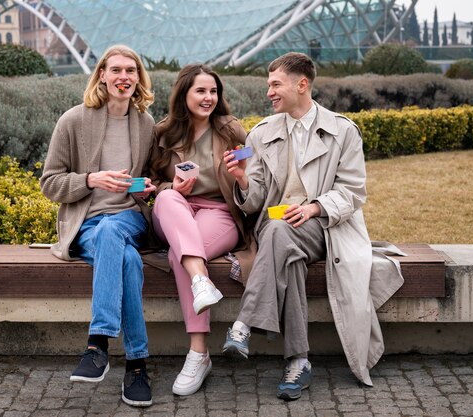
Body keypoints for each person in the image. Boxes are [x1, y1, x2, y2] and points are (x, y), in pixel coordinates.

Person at [222, 52, 404, 400]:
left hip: (325, 226)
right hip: (277, 225)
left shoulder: (343, 131)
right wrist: (244, 181)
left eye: (275, 85)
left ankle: (244, 323)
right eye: (268, 85)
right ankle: (298, 362)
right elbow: (257, 199)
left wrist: (315, 208)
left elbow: (353, 192)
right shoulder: (260, 134)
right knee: (283, 247)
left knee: (280, 235)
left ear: (301, 84)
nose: (269, 93)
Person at [40, 44, 157, 407]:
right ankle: (137, 365)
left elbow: (151, 179)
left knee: (114, 231)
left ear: (138, 79)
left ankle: (98, 344)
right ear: (102, 75)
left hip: (130, 219)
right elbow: (50, 183)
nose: (124, 77)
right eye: (116, 70)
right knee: (128, 261)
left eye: (131, 71)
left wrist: (151, 188)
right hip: (88, 224)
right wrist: (92, 180)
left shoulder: (146, 124)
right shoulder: (73, 120)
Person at [150, 64, 253, 396]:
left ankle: (198, 353)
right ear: (184, 94)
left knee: (179, 254)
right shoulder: (163, 132)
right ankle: (200, 282)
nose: (209, 98)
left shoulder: (231, 130)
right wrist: (171, 186)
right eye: (201, 91)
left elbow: (258, 172)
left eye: (213, 91)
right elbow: (150, 184)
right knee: (166, 199)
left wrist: (241, 175)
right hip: (175, 209)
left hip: (219, 213)